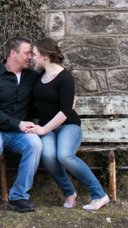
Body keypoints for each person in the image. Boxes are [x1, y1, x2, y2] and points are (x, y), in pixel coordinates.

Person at [29, 37, 110, 211]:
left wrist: (43, 129)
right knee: (48, 156)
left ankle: (99, 195)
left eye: (34, 54)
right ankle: (69, 192)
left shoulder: (65, 78)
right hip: (47, 127)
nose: (32, 58)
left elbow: (66, 112)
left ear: (45, 56)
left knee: (64, 155)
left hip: (68, 126)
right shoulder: (39, 76)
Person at [0, 37, 43, 221]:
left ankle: (18, 197)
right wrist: (18, 123)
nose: (31, 57)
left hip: (16, 133)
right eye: (27, 53)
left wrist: (68, 99)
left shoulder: (33, 77)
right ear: (13, 53)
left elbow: (55, 83)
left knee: (35, 143)